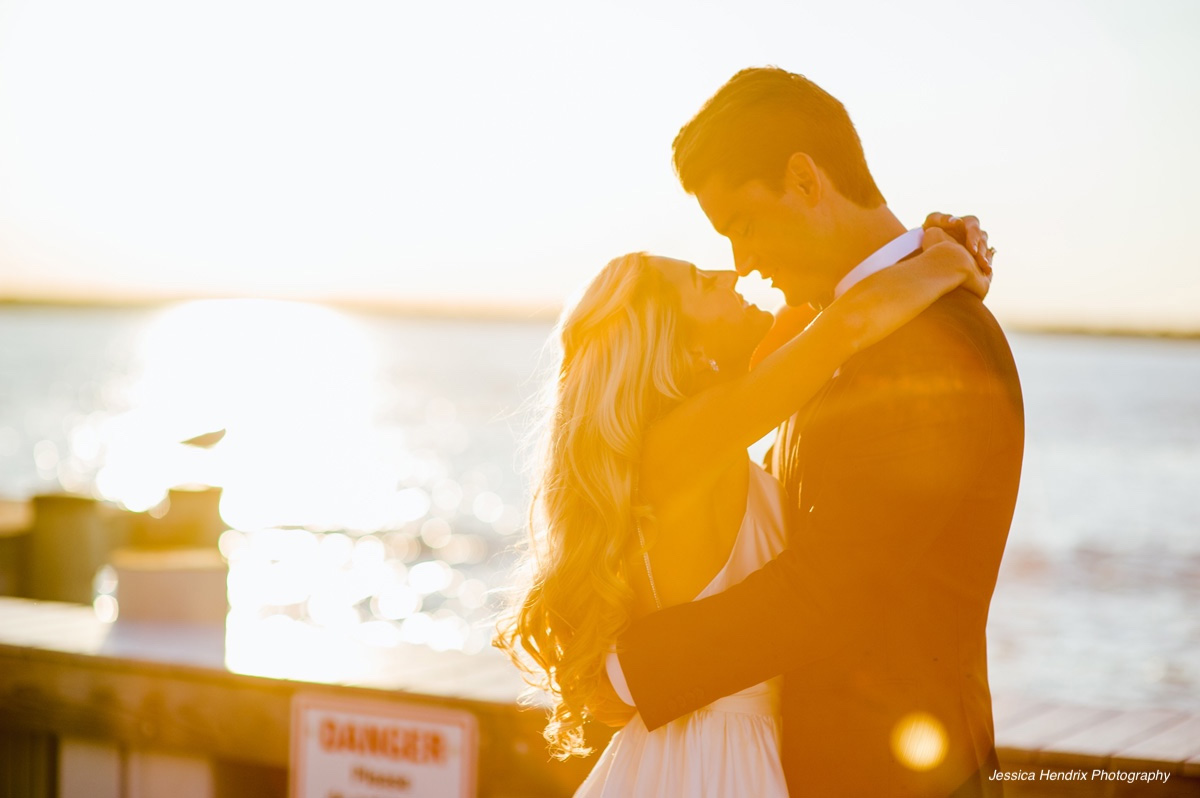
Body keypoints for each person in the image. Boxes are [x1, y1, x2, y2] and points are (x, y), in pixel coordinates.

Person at [602, 67, 1025, 797]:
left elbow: (834, 588)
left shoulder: (931, 342)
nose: (741, 262)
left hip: (901, 776)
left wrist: (624, 672)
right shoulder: (834, 339)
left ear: (804, 180)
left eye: (741, 224)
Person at [494, 222, 992, 795]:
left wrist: (916, 241)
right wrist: (948, 265)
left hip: (690, 748)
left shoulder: (694, 435)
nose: (730, 272)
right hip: (722, 761)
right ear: (684, 347)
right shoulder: (690, 438)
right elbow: (844, 325)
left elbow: (820, 307)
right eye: (705, 282)